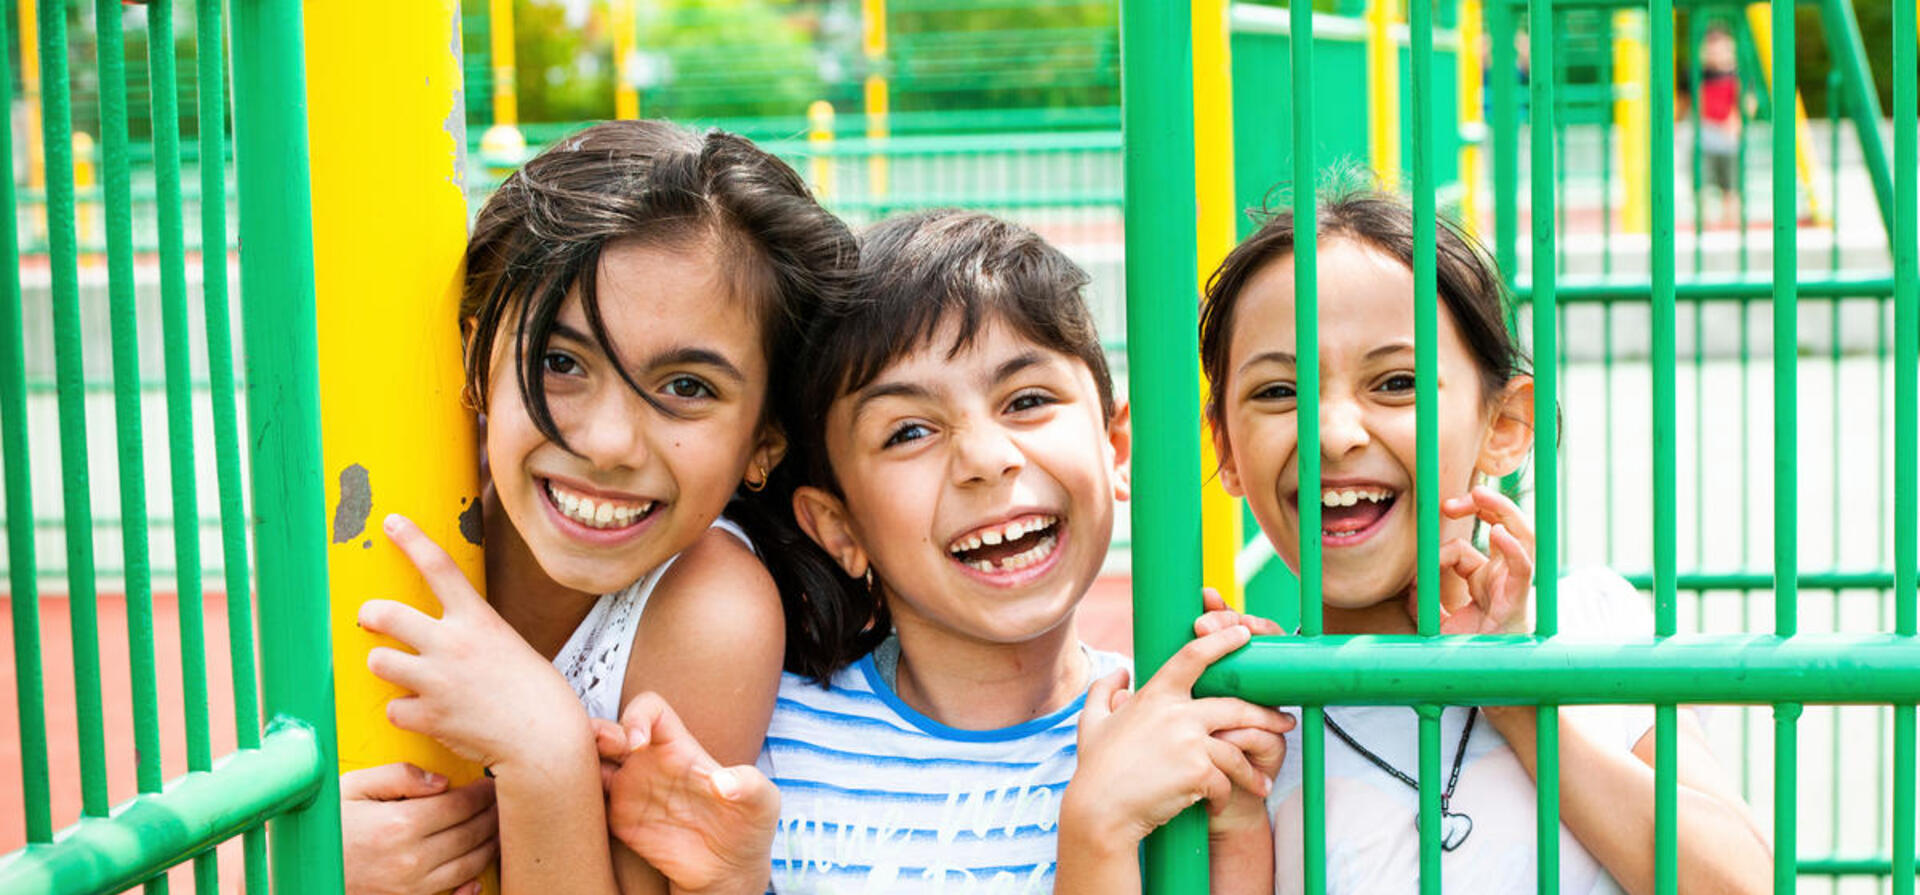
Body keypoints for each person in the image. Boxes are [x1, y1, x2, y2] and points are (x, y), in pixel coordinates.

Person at [593, 209, 1290, 894]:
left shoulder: (1171, 741)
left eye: (1027, 400)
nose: (985, 459)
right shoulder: (765, 745)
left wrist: (1231, 821)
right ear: (839, 528)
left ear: (1115, 446)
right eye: (908, 431)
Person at [343, 119, 871, 895]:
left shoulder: (710, 610)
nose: (609, 442)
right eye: (560, 362)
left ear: (765, 439)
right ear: (473, 360)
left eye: (686, 387)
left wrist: (546, 750)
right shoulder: (383, 518)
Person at [1196, 186, 1772, 893]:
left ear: (1503, 425)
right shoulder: (1249, 727)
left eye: (1397, 383)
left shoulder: (1596, 627)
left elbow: (1746, 883)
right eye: (1279, 392)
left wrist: (1517, 697)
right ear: (1224, 445)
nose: (1334, 434)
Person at [1695, 24, 1743, 227]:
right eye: (1711, 49)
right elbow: (1688, 100)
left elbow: (1745, 101)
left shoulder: (1737, 75)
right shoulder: (1698, 74)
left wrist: (1736, 119)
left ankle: (1730, 220)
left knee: (1731, 184)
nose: (1716, 54)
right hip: (1706, 131)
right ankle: (1704, 221)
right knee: (1702, 181)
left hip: (1727, 134)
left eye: (1721, 48)